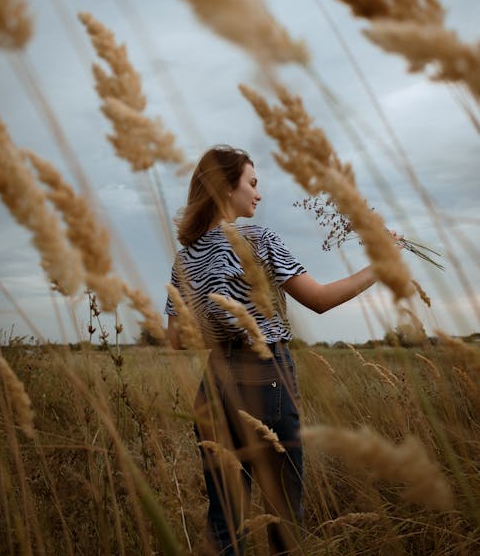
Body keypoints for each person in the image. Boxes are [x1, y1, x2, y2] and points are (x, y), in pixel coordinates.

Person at [165, 145, 395, 556]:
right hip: (264, 377)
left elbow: (176, 339)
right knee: (284, 519)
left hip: (213, 383)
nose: (258, 193)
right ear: (225, 186)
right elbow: (320, 300)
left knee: (223, 522)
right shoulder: (259, 238)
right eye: (251, 183)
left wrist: (221, 324)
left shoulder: (185, 258)